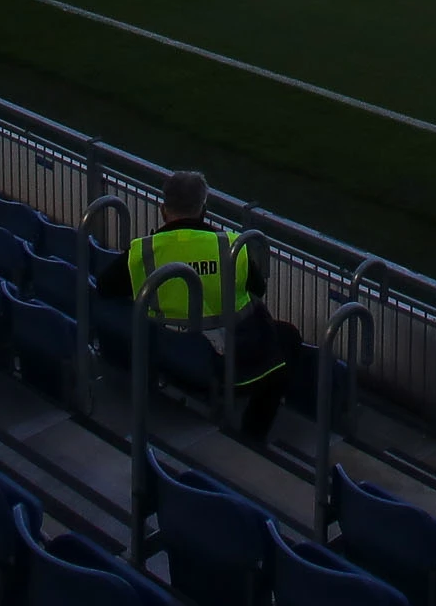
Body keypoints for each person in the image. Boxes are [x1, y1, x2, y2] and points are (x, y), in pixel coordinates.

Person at [94, 170, 300, 441]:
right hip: (219, 358)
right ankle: (253, 435)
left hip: (168, 351)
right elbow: (258, 288)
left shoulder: (143, 251)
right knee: (286, 339)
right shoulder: (230, 246)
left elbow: (105, 286)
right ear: (203, 208)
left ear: (163, 208)